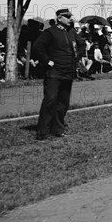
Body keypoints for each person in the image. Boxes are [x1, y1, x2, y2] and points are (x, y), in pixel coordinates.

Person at [33, 8, 78, 140]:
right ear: (59, 18)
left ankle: (58, 129)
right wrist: (47, 61)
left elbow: (80, 44)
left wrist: (76, 57)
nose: (70, 18)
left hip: (67, 72)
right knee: (50, 100)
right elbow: (37, 47)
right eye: (67, 16)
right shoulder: (50, 32)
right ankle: (42, 131)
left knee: (63, 102)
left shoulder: (71, 32)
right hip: (53, 73)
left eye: (71, 16)